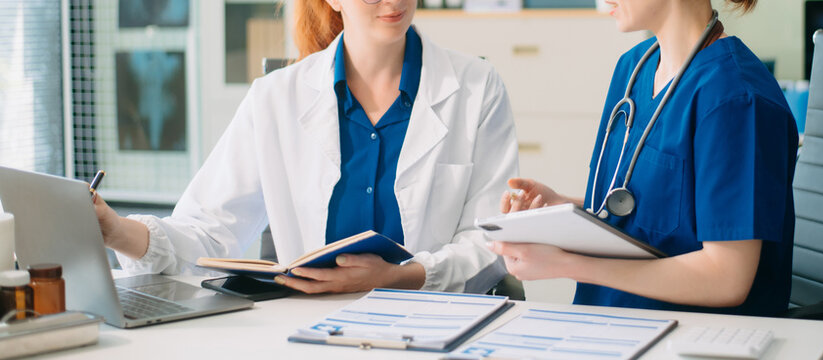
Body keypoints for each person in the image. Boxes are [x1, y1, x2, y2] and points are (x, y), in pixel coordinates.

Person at [93, 0, 518, 294]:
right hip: (307, 329)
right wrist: (116, 231)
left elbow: (491, 242)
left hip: (434, 323)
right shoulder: (275, 98)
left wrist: (398, 277)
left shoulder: (477, 89)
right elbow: (209, 232)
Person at [492, 0, 798, 316]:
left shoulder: (736, 100)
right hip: (608, 322)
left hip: (694, 335)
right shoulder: (634, 67)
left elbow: (727, 278)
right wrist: (565, 208)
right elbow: (654, 211)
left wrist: (568, 264)